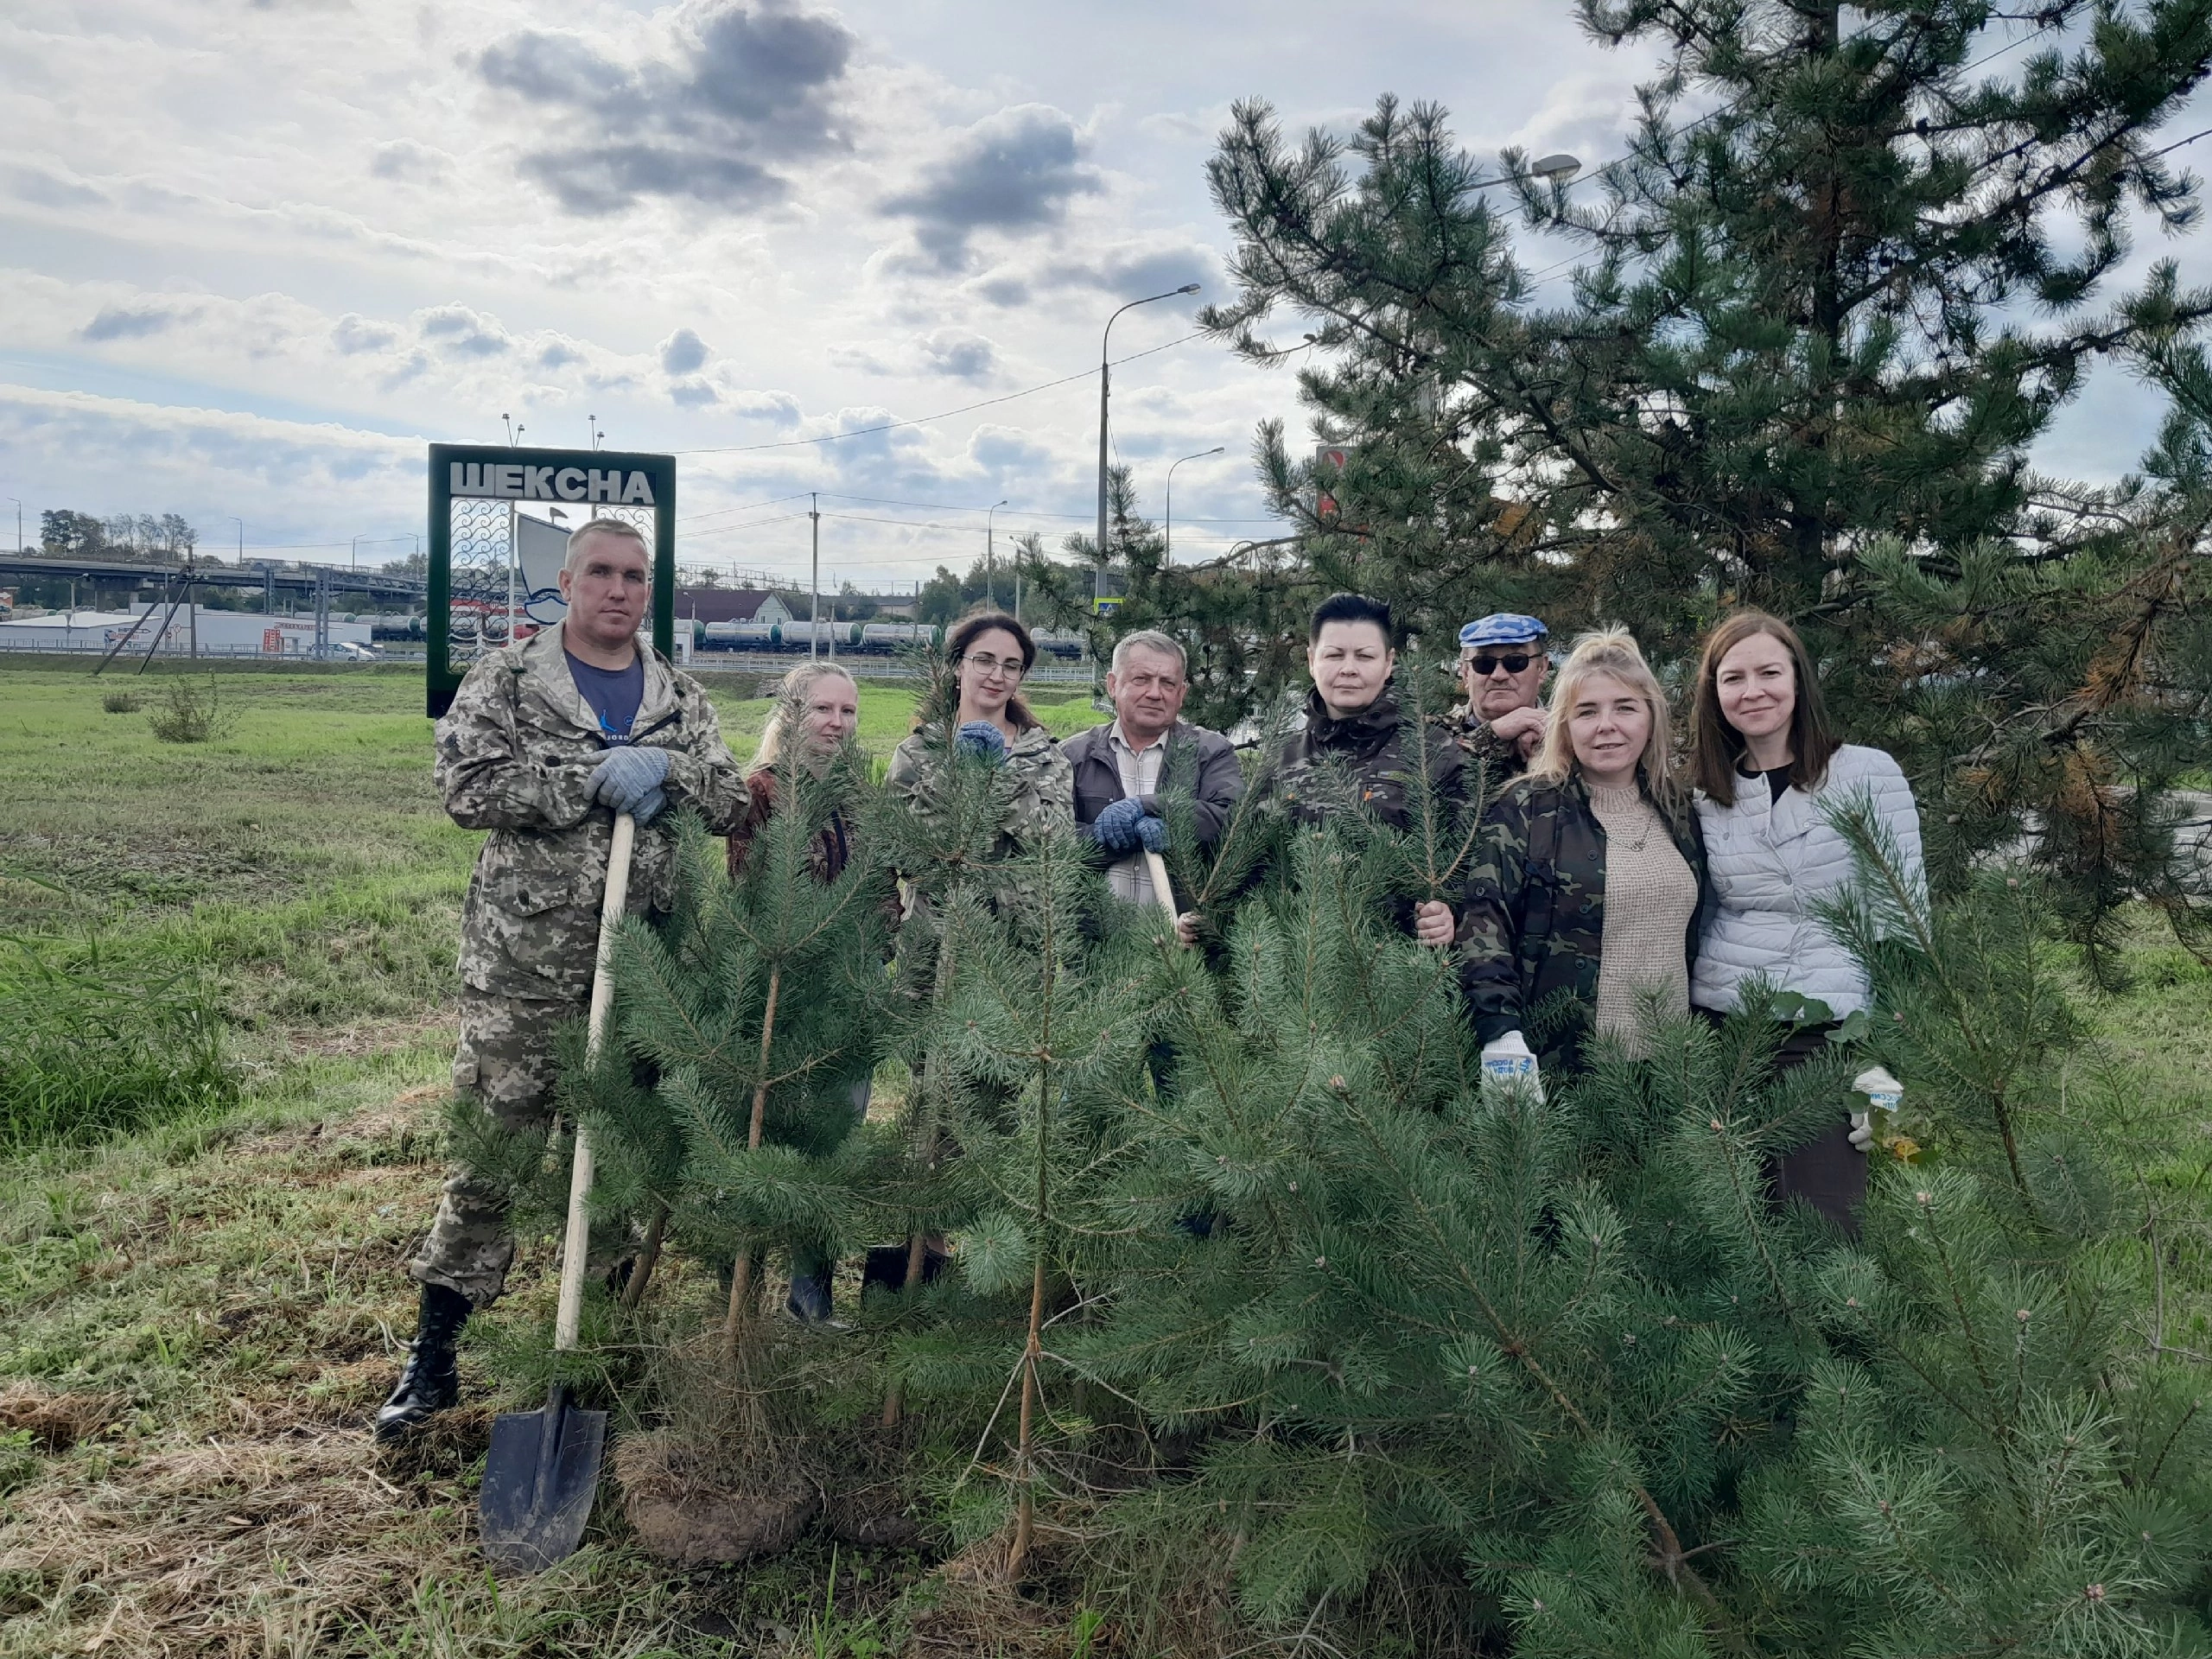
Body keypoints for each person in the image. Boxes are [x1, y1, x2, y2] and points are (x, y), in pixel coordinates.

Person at [379, 517, 747, 1440]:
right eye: (601, 574)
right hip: (527, 971)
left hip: (640, 968)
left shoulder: (677, 692)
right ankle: (434, 1363)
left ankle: (609, 1353)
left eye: (634, 576)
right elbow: (469, 789)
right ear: (568, 583)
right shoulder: (508, 680)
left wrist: (665, 763)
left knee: (621, 1159)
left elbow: (730, 797)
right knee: (492, 1159)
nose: (619, 591)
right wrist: (590, 777)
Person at [1688, 609, 1927, 1235]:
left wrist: (1889, 1075)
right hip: (1727, 1024)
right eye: (1733, 678)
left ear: (1799, 681)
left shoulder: (1867, 772)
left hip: (1833, 1030)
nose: (1753, 691)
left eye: (1770, 672)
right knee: (1739, 1224)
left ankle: (1843, 1335)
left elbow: (1906, 922)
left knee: (1826, 1222)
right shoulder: (1704, 792)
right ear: (1714, 693)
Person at [1459, 629, 1707, 1077]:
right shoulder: (1527, 807)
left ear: (1650, 718)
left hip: (1671, 1073)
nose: (1606, 725)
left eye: (1625, 707)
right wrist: (1502, 1033)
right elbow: (1484, 921)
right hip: (1563, 1070)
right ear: (1565, 726)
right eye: (1587, 711)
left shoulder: (1680, 810)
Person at [727, 663, 876, 1326]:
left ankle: (811, 1290)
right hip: (784, 995)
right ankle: (743, 1285)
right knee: (778, 1137)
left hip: (855, 992)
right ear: (791, 714)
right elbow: (750, 898)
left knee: (836, 1135)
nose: (836, 724)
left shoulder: (857, 799)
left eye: (847, 712)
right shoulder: (761, 794)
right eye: (823, 709)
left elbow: (877, 886)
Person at [1271, 592, 1463, 947]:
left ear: (1389, 662)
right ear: (1312, 660)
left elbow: (1472, 867)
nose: (1348, 668)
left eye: (1364, 656)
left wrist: (1452, 916)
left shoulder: (1432, 754)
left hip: (1398, 979)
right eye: (1334, 655)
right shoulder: (1281, 757)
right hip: (1293, 975)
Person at [1060, 629, 1243, 916]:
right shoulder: (1073, 756)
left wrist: (1153, 809)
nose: (1155, 693)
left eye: (1167, 683)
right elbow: (1048, 837)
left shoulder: (1211, 752)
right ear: (1112, 684)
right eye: (1141, 679)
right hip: (1091, 947)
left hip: (1180, 947)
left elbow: (1232, 820)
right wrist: (1103, 838)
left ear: (1181, 694)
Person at [885, 610, 1074, 868]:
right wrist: (949, 776)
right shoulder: (916, 753)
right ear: (959, 666)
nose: (997, 676)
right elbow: (902, 855)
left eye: (1010, 666)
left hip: (1025, 909)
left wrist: (1003, 780)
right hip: (944, 907)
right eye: (984, 661)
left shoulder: (1047, 757)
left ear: (1019, 677)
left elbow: (1060, 849)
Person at [1449, 612, 1550, 781]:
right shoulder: (1430, 735)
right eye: (1483, 663)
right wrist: (1491, 735)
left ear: (1542, 668)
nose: (1499, 675)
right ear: (1466, 673)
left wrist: (1556, 739)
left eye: (1516, 661)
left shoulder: (1572, 733)